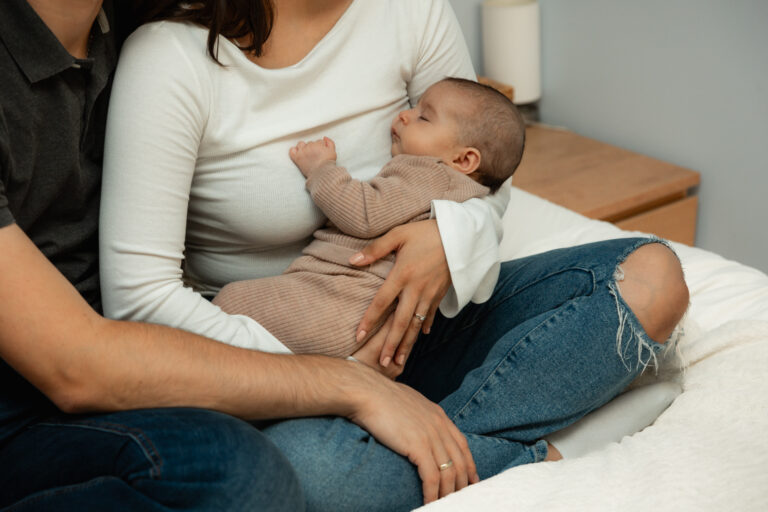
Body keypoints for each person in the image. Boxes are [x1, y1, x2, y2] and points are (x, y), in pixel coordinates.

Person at [99, 1, 690, 511]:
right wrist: (342, 386)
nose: (407, 120)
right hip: (267, 346)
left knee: (650, 276)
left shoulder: (409, 10)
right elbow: (139, 298)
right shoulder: (171, 57)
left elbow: (483, 164)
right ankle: (544, 453)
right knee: (306, 476)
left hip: (418, 318)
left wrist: (446, 238)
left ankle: (435, 440)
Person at [0, 1, 483, 509]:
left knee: (576, 282)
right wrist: (347, 383)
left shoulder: (125, 17)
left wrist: (445, 235)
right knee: (255, 476)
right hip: (30, 408)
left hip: (139, 370)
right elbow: (76, 367)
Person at [212, 77, 526, 358]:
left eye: (423, 117)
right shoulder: (459, 190)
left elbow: (365, 214)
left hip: (339, 305)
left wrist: (322, 170)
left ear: (464, 159)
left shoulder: (431, 174)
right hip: (350, 314)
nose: (405, 115)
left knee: (229, 303)